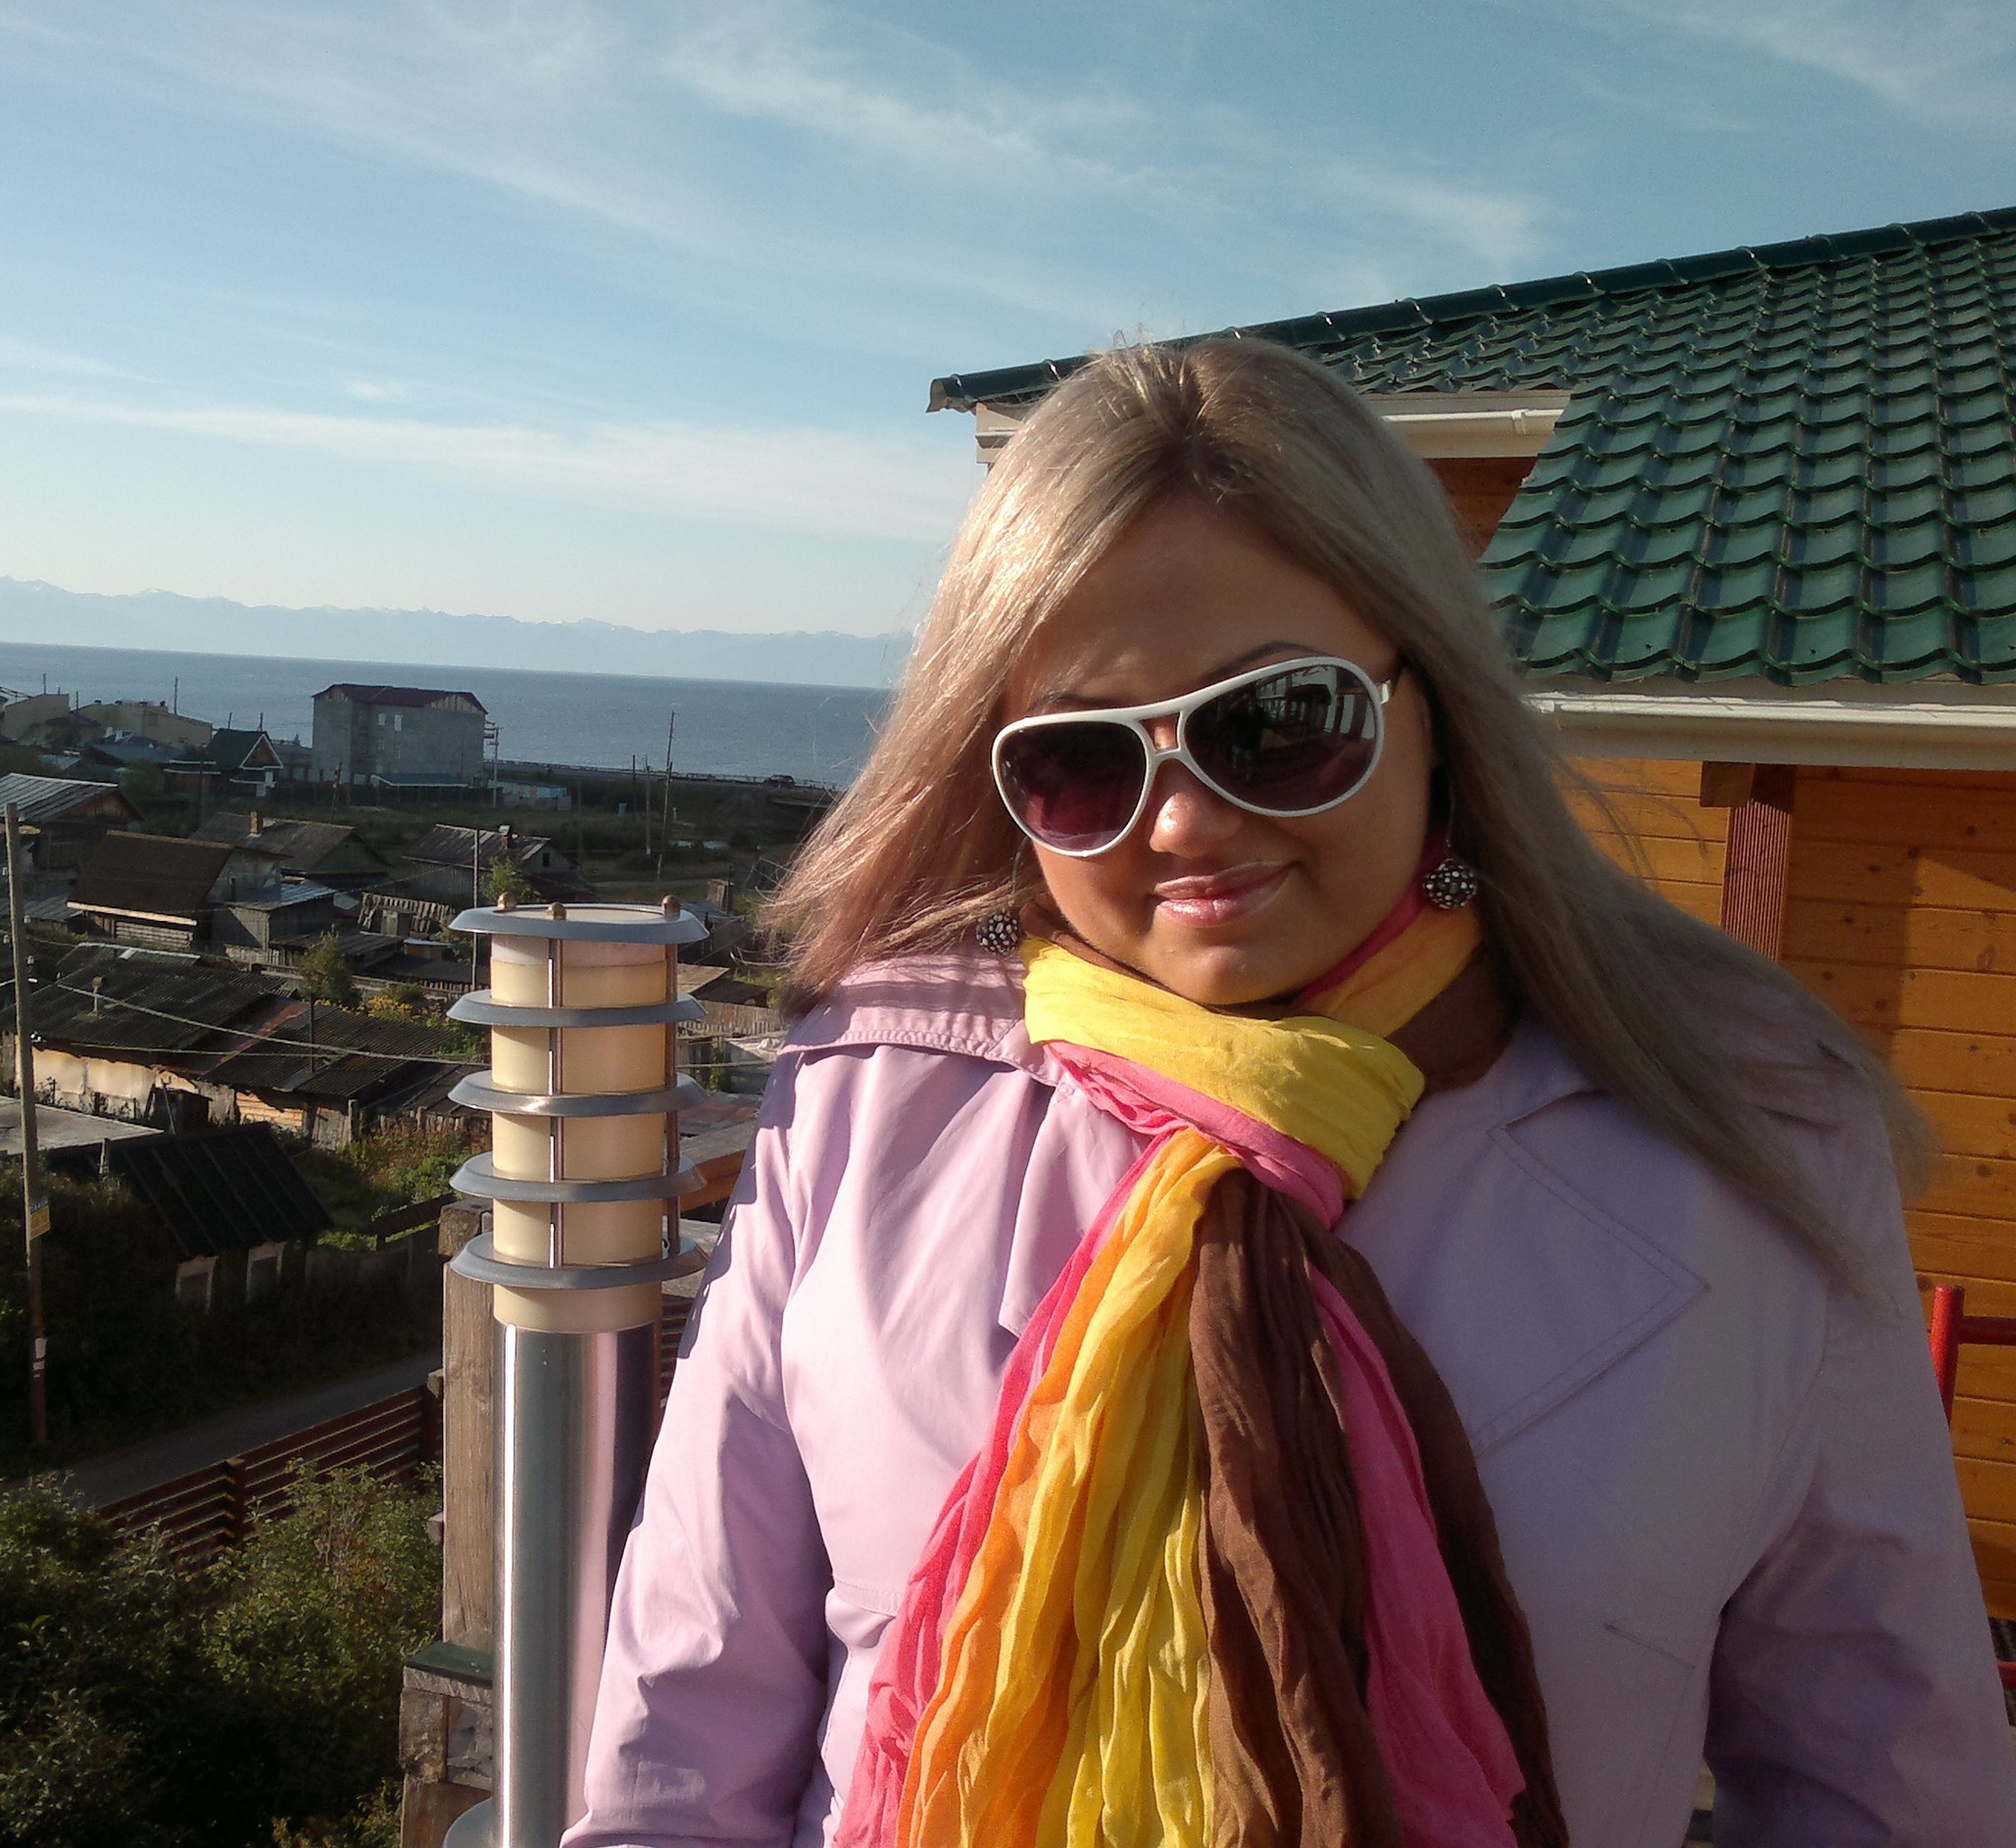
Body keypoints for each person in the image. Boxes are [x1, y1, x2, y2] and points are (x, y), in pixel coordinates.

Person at [569, 340, 2016, 1847]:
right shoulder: (864, 1102)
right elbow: (687, 1724)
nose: (1186, 820)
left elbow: (1887, 1779)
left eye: (1277, 721)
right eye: (1082, 760)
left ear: (1433, 706)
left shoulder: (1743, 1130)